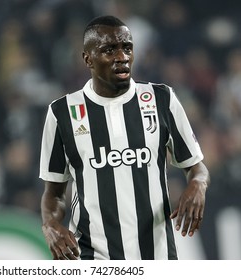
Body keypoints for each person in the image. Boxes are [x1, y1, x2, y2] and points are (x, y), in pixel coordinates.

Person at [39, 15, 210, 260]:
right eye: (109, 50)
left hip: (157, 256)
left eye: (127, 47)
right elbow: (54, 192)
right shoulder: (62, 112)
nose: (122, 57)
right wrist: (50, 225)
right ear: (88, 58)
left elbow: (197, 167)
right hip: (93, 257)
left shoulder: (161, 99)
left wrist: (197, 185)